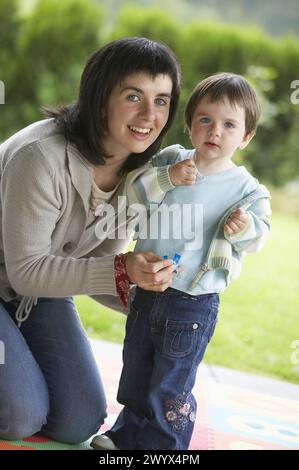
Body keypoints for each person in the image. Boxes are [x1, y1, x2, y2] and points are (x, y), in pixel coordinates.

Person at [0, 37, 182, 444]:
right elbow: (29, 270)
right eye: (134, 96)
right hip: (26, 278)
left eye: (162, 100)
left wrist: (163, 305)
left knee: (79, 420)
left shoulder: (138, 177)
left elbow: (101, 264)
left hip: (34, 295)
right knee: (20, 414)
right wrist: (123, 269)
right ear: (100, 97)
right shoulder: (40, 156)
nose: (149, 115)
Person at [91, 72, 271, 450]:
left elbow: (259, 237)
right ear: (190, 124)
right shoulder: (171, 160)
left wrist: (243, 229)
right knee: (137, 370)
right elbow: (134, 193)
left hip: (192, 300)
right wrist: (167, 178)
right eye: (205, 119)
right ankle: (126, 436)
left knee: (170, 384)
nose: (214, 131)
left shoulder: (247, 190)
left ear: (246, 137)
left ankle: (162, 446)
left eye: (229, 124)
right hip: (149, 289)